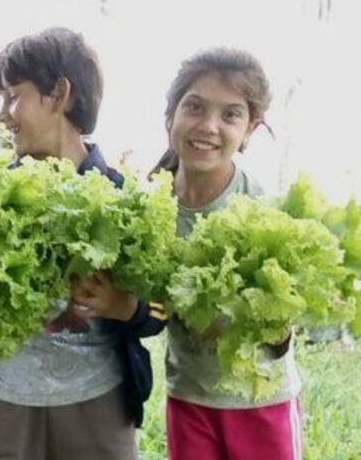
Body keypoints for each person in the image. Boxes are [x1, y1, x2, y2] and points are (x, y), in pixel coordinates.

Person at [0, 27, 166, 460]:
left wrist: (122, 305)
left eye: (14, 95)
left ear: (60, 94)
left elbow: (161, 308)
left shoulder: (121, 196)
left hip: (97, 403)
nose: (3, 115)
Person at [154, 47, 303, 460]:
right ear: (171, 115)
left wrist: (251, 322)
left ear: (250, 129)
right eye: (195, 107)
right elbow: (147, 301)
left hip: (262, 402)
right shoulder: (151, 205)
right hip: (189, 396)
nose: (209, 126)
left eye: (231, 114)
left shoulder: (262, 208)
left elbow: (283, 334)